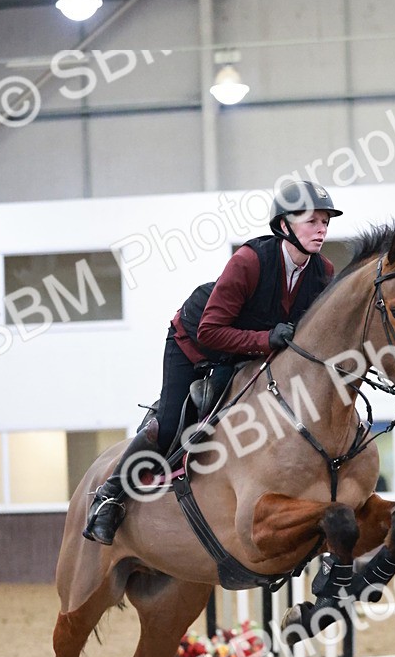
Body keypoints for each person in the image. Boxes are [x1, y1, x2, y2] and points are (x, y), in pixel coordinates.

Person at [83, 180, 342, 545]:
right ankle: (109, 497)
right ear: (284, 225)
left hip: (248, 354)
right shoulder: (249, 261)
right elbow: (210, 331)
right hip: (195, 343)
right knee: (172, 423)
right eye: (312, 221)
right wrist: (266, 340)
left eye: (325, 222)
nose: (321, 229)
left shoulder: (322, 272)